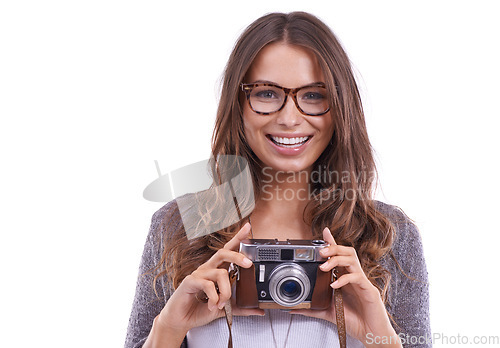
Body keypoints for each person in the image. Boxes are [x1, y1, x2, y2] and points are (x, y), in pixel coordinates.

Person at [125, 11, 431, 348]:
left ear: (341, 107)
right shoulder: (180, 224)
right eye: (266, 94)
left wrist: (379, 338)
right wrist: (169, 328)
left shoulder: (389, 235)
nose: (288, 118)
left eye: (314, 95)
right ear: (237, 104)